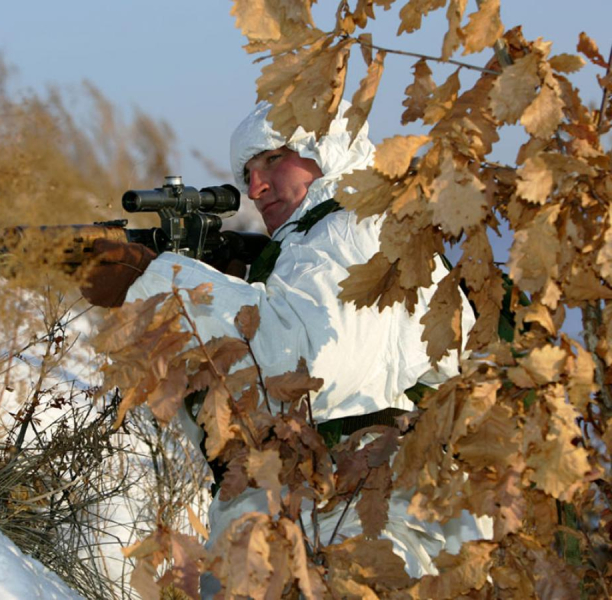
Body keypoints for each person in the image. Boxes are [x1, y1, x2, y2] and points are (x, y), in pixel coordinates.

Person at [82, 100, 491, 580]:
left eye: (273, 159)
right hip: (332, 515)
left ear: (327, 148)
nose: (255, 188)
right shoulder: (322, 241)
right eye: (248, 173)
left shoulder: (349, 229)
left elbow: (300, 369)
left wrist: (154, 279)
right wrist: (240, 281)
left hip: (355, 522)